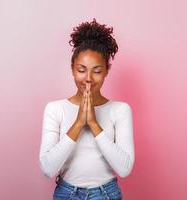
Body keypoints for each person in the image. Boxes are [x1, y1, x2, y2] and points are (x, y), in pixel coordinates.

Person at [39, 18, 134, 200]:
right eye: (82, 70)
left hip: (106, 194)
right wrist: (78, 123)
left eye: (97, 71)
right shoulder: (55, 109)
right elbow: (48, 169)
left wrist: (93, 124)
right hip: (66, 193)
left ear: (107, 70)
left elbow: (124, 169)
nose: (88, 78)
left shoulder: (120, 110)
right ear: (72, 69)